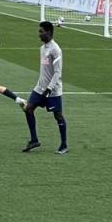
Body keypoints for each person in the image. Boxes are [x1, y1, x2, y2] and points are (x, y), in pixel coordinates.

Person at [22, 21, 68, 154]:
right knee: (28, 109)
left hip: (52, 90)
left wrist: (49, 88)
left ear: (48, 32)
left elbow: (57, 72)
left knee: (58, 116)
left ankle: (64, 144)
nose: (39, 34)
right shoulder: (42, 48)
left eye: (41, 31)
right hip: (40, 88)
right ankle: (34, 139)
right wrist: (42, 87)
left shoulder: (56, 49)